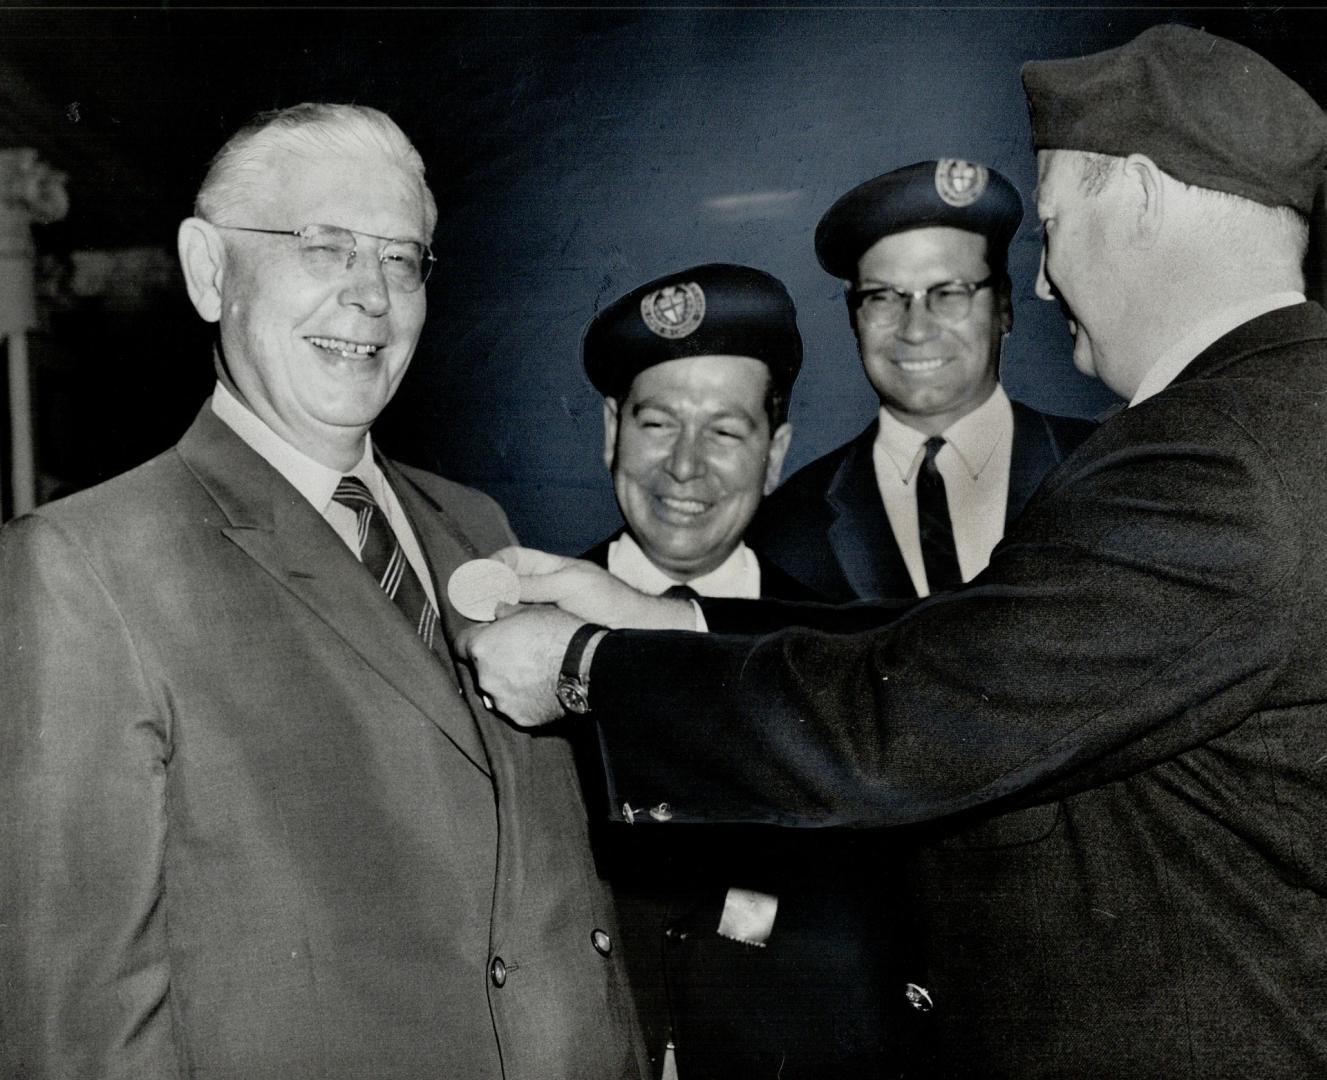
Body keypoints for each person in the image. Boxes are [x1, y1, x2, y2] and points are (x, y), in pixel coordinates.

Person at [459, 24, 1327, 1079]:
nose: (1045, 288)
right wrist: (668, 617)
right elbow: (971, 653)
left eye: (1048, 229)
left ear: (1136, 194)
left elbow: (913, 712)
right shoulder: (1278, 423)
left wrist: (583, 668)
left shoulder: (1210, 460)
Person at [0, 103, 645, 1080]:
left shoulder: (475, 526)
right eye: (326, 246)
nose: (370, 297)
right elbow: (75, 1032)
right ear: (210, 270)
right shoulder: (86, 566)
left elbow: (556, 918)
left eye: (400, 259)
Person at [579, 263, 910, 1079]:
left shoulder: (843, 655)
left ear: (775, 453)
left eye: (724, 432)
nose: (685, 468)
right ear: (610, 429)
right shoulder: (523, 633)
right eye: (656, 424)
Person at [748, 159, 1094, 601]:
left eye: (949, 293)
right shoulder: (787, 528)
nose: (916, 329)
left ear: (1004, 306)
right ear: (854, 318)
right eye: (882, 298)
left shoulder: (1105, 465)